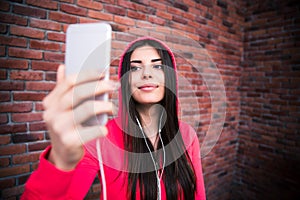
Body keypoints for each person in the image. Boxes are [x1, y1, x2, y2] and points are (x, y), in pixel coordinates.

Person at [21, 37, 206, 200]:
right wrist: (60, 161)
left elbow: (199, 195)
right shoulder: (100, 137)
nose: (147, 74)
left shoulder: (187, 135)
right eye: (135, 68)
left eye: (157, 66)